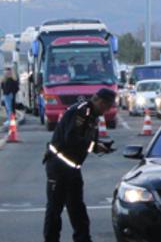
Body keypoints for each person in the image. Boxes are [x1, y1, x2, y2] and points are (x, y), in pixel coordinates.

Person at [43, 88, 115, 242]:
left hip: (73, 168)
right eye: (106, 106)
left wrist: (98, 145)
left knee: (77, 208)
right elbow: (72, 138)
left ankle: (83, 239)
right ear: (99, 101)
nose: (107, 110)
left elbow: (86, 140)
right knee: (55, 209)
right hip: (59, 165)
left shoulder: (93, 116)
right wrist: (94, 146)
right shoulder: (81, 112)